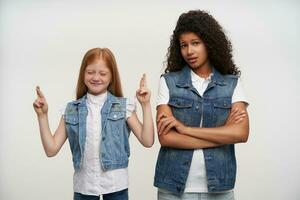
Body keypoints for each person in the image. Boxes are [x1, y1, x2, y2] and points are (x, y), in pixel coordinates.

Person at [33, 47, 154, 200]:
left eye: (103, 73)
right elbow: (51, 150)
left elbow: (148, 141)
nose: (96, 77)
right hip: (84, 187)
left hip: (116, 186)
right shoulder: (71, 110)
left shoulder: (123, 107)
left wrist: (146, 105)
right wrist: (42, 116)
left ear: (111, 76)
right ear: (83, 74)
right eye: (90, 72)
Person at [154, 10, 249, 200]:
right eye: (184, 45)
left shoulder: (232, 84)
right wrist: (223, 133)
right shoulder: (168, 82)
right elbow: (166, 138)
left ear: (209, 43)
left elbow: (240, 134)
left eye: (195, 43)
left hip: (219, 188)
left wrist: (184, 129)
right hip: (173, 188)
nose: (189, 51)